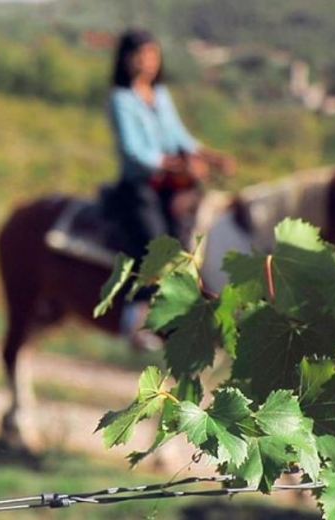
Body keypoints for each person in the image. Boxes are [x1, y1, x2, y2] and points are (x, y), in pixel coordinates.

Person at [106, 29, 234, 349]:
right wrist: (177, 165)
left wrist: (211, 158)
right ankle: (137, 319)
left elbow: (181, 137)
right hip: (140, 187)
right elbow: (135, 152)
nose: (146, 62)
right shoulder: (120, 99)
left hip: (170, 187)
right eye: (139, 55)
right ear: (124, 59)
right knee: (156, 245)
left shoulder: (160, 96)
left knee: (194, 238)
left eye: (152, 54)